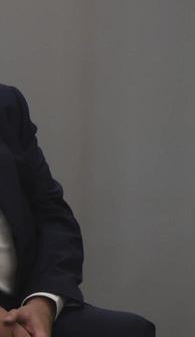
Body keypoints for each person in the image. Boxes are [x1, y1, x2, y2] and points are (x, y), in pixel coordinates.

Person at [0, 84, 154, 337]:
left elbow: (53, 218)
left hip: (21, 306)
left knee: (128, 331)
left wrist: (43, 303)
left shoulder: (7, 104)